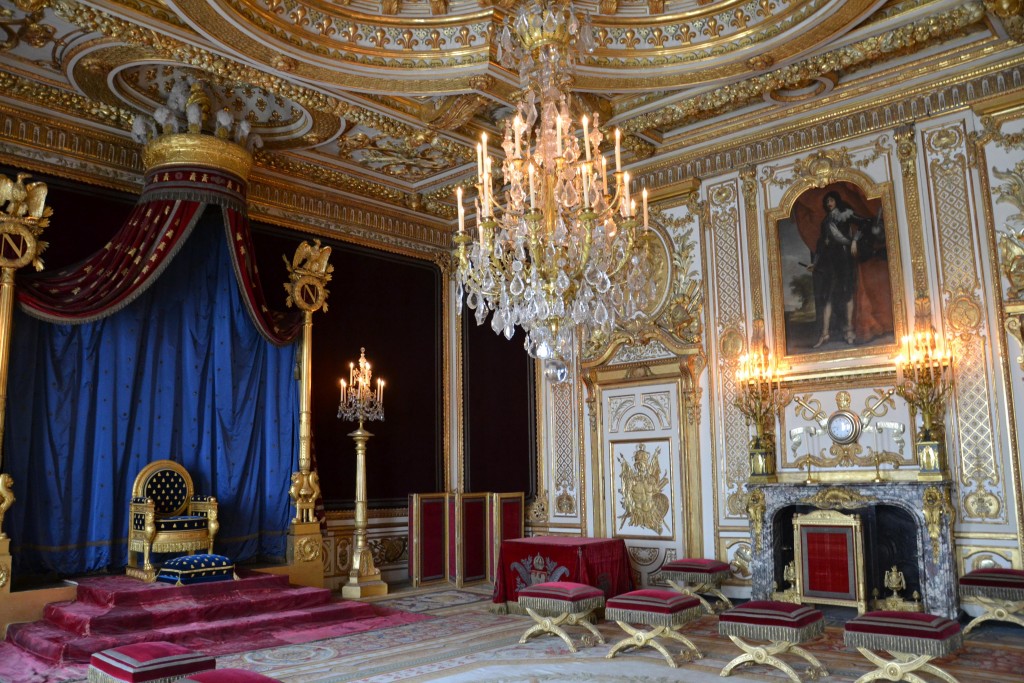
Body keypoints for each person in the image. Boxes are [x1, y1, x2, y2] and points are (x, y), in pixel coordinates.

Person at [807, 191, 876, 347]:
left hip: (845, 258)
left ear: (836, 201)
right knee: (828, 296)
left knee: (847, 293)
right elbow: (821, 244)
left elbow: (865, 222)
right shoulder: (826, 222)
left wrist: (854, 241)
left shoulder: (845, 214)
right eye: (827, 201)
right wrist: (815, 263)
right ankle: (824, 334)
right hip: (831, 260)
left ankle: (849, 331)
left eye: (831, 200)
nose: (829, 203)